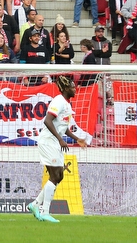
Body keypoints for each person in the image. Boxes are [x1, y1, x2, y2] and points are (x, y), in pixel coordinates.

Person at [28, 76, 89, 223]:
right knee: (55, 176)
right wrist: (60, 139)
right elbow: (47, 121)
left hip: (55, 142)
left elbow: (62, 127)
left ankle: (35, 204)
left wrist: (76, 139)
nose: (75, 89)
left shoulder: (67, 104)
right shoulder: (58, 101)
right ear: (66, 89)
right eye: (73, 87)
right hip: (48, 141)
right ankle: (44, 211)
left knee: (59, 176)